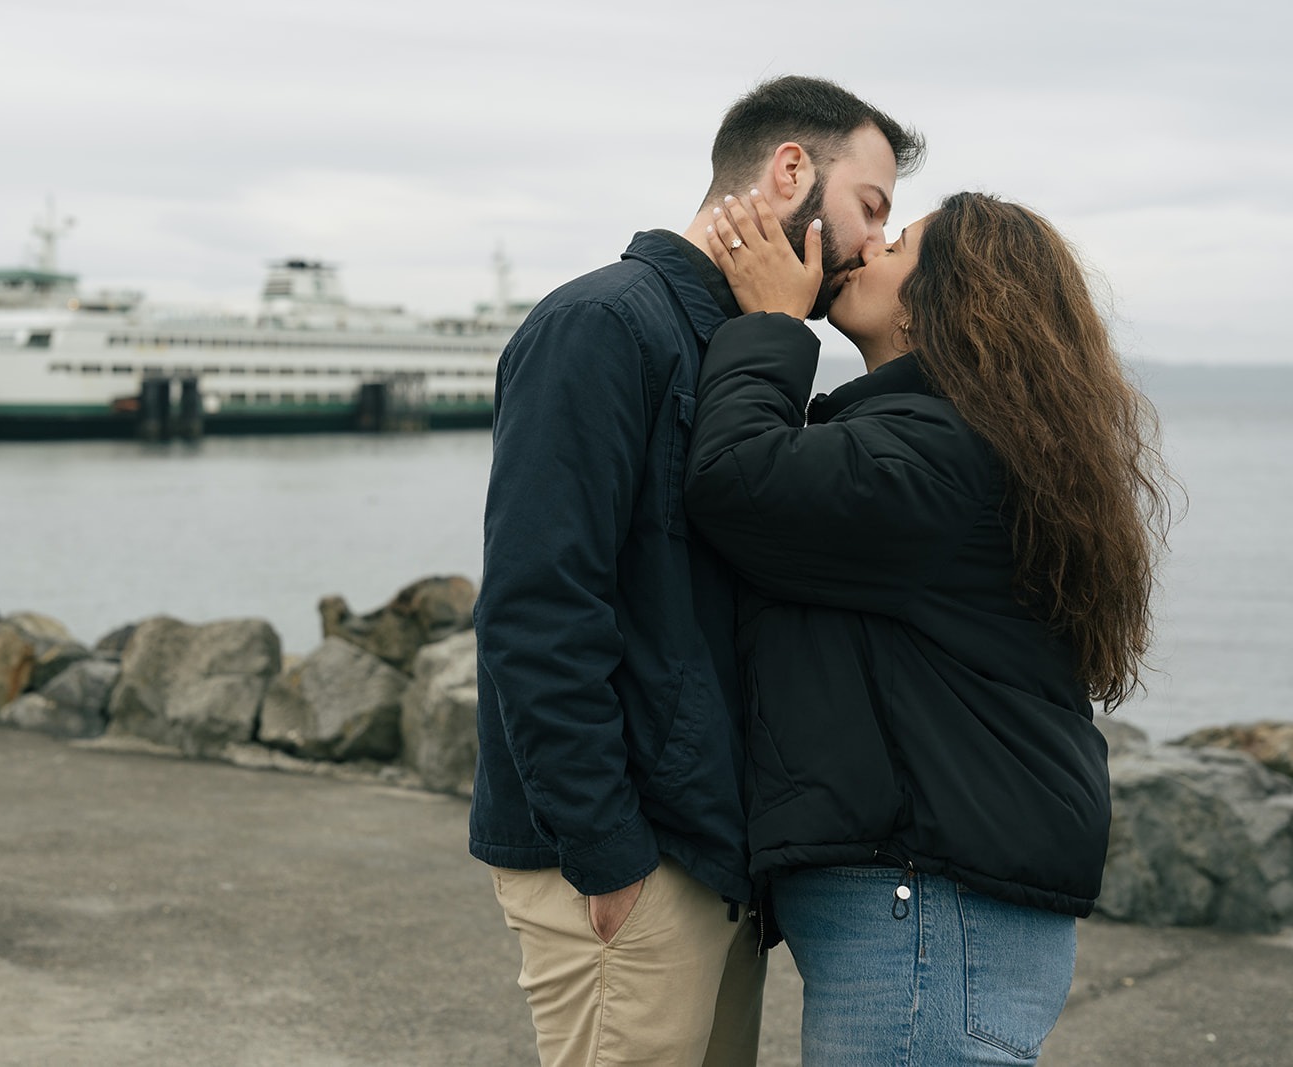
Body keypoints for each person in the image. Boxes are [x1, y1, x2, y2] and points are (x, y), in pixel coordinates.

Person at [470, 75, 924, 1067]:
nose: (875, 243)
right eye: (871, 205)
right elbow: (536, 607)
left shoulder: (739, 351)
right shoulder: (603, 322)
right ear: (790, 169)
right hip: (631, 860)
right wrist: (609, 855)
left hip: (714, 858)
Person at [684, 190, 1172, 1064]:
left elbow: (737, 478)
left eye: (898, 240)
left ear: (952, 293)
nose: (866, 247)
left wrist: (773, 321)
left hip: (929, 905)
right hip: (941, 902)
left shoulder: (936, 451)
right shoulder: (962, 439)